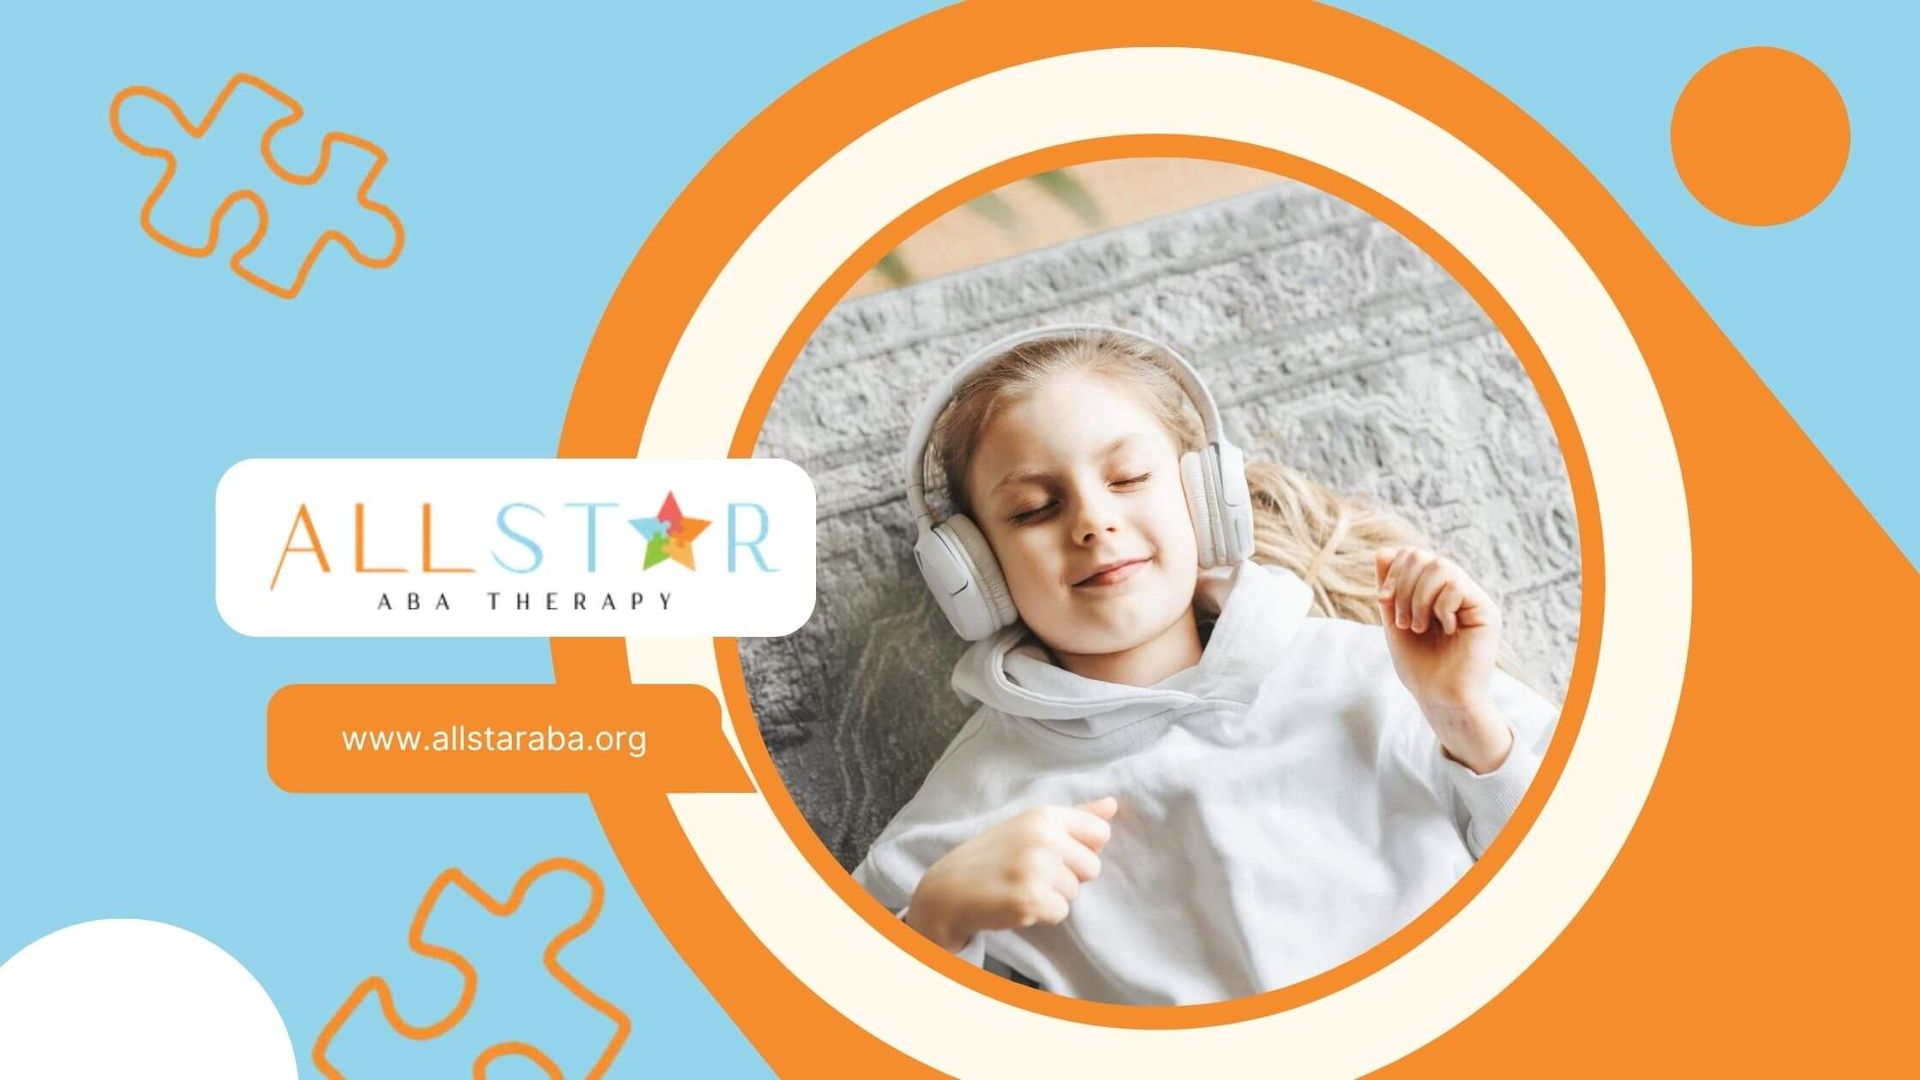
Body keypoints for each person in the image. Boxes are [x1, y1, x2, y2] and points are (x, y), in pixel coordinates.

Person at [853, 325, 1559, 1006]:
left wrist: (1467, 725)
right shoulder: (969, 807)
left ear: (1204, 501)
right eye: (1036, 509)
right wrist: (936, 925)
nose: (1093, 522)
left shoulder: (1384, 675)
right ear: (975, 574)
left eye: (1127, 477)